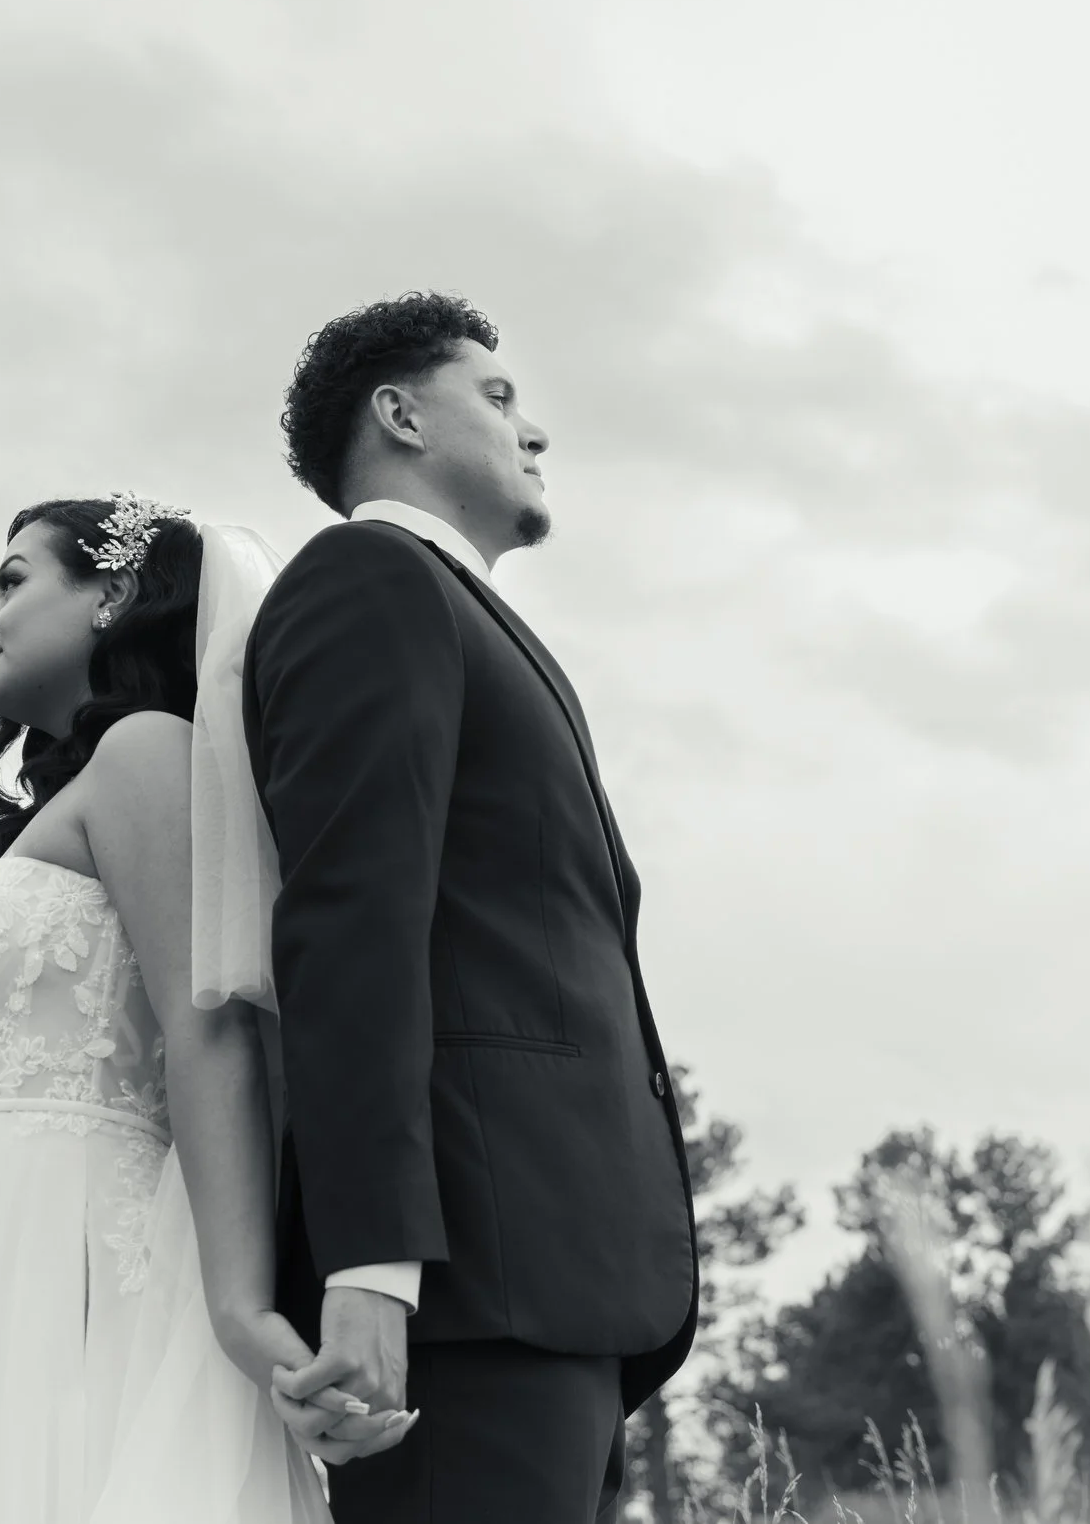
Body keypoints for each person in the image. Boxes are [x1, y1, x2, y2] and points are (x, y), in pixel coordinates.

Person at [0, 495, 388, 1523]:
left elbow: (214, 1023)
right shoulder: (62, 801)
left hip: (77, 1274)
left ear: (117, 594)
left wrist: (237, 1307)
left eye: (13, 580)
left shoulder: (147, 750)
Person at [245, 292, 701, 1522]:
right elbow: (350, 924)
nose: (533, 429)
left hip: (555, 1279)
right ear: (398, 415)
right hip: (464, 1287)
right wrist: (371, 1266)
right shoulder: (368, 579)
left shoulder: (463, 612)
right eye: (496, 396)